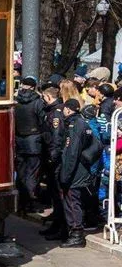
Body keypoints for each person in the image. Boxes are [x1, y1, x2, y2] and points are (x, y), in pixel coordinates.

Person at [59, 99, 93, 248]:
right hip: (78, 170)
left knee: (72, 202)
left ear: (67, 109)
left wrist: (65, 175)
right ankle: (73, 232)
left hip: (75, 172)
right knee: (73, 201)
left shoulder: (75, 125)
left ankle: (77, 234)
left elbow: (72, 153)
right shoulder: (80, 122)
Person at [14, 76, 46, 213]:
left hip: (19, 140)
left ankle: (21, 201)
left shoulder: (15, 101)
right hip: (34, 142)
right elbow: (42, 121)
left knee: (21, 173)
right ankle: (32, 201)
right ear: (33, 87)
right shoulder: (38, 102)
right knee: (32, 173)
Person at [40, 86, 66, 240]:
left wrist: (52, 157)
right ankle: (55, 225)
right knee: (54, 193)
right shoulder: (52, 111)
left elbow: (56, 137)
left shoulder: (56, 113)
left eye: (44, 97)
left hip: (54, 158)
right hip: (50, 155)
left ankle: (60, 227)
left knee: (58, 193)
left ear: (48, 97)